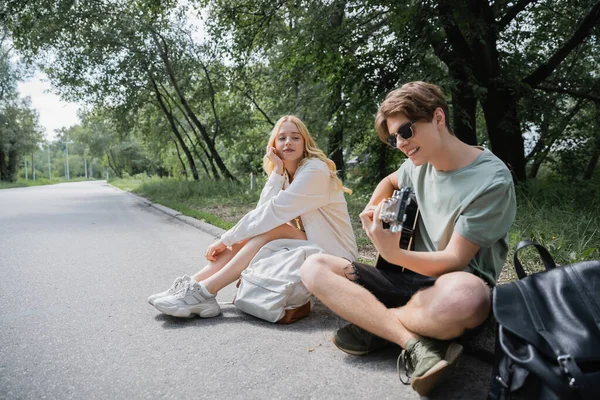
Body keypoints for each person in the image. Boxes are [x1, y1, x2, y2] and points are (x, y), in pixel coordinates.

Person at [299, 82, 517, 396]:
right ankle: (415, 342)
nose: (400, 143)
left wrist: (394, 252)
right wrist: (375, 208)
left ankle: (372, 324)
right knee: (313, 267)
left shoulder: (492, 179)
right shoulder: (418, 164)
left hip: (449, 284)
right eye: (393, 138)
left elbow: (454, 260)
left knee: (467, 296)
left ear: (438, 118)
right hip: (399, 278)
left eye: (405, 131)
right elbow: (389, 180)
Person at [149, 115, 358, 318]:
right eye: (282, 138)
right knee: (260, 231)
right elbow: (262, 212)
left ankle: (205, 292)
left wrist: (226, 238)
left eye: (295, 137)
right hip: (312, 245)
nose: (288, 143)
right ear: (273, 144)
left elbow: (271, 213)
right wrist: (277, 171)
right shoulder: (287, 175)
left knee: (272, 228)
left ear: (305, 143)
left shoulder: (315, 171)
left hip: (336, 254)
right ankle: (191, 286)